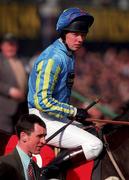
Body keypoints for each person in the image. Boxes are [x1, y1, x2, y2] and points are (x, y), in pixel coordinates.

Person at [28, 7, 103, 168]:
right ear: (63, 34)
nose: (80, 39)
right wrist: (74, 111)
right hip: (42, 119)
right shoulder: (53, 58)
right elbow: (42, 101)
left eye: (83, 35)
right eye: (75, 34)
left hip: (55, 117)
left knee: (95, 131)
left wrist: (73, 113)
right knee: (95, 145)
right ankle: (49, 173)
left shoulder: (68, 55)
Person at [0, 33, 27, 155]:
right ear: (2, 46)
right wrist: (9, 90)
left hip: (20, 107)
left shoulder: (21, 61)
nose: (11, 48)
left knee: (16, 139)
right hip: (3, 108)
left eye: (13, 45)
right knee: (3, 139)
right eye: (8, 45)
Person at [0, 114, 47, 180]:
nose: (44, 141)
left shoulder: (35, 168)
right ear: (23, 136)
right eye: (39, 136)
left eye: (44, 136)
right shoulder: (4, 164)